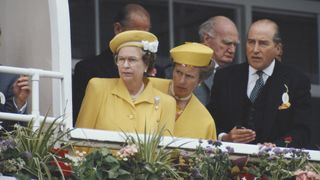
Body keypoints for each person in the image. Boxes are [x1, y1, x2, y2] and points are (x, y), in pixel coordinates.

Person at [207, 19, 312, 148]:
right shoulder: (225, 77)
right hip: (228, 162)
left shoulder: (296, 80)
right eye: (251, 42)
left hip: (276, 164)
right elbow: (211, 121)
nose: (255, 50)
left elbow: (302, 130)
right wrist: (225, 137)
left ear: (277, 48)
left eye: (263, 44)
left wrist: (277, 146)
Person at [76, 30, 175, 135]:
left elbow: (165, 150)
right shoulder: (98, 88)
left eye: (132, 60)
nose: (125, 65)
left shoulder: (166, 103)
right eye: (121, 59)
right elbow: (79, 139)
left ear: (146, 64)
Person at [73, 3, 151, 123]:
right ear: (118, 29)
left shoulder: (155, 72)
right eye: (136, 32)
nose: (142, 39)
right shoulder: (89, 70)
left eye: (147, 33)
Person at [150, 42, 217, 140]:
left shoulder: (206, 121)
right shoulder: (149, 87)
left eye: (189, 76)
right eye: (178, 72)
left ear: (200, 81)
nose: (181, 81)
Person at [194, 16, 239, 105]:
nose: (232, 50)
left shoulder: (234, 76)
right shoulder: (186, 68)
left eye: (235, 45)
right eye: (227, 43)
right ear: (207, 39)